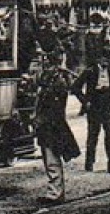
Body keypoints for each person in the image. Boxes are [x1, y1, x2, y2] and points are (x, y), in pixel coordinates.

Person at [34, 58, 81, 203]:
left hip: (52, 125)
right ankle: (55, 191)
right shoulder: (51, 82)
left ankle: (55, 192)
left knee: (52, 159)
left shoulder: (58, 84)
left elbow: (54, 106)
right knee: (49, 159)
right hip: (47, 125)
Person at [71, 55, 110, 174]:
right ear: (97, 59)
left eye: (107, 59)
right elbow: (75, 87)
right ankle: (89, 163)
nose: (105, 62)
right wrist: (85, 102)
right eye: (103, 59)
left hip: (109, 107)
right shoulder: (90, 72)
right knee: (92, 136)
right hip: (94, 106)